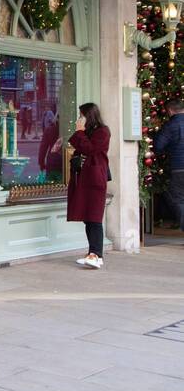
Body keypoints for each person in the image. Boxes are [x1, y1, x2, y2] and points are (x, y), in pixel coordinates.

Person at [68, 102, 111, 268]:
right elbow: (78, 144)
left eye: (81, 116)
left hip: (94, 179)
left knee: (94, 217)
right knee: (88, 218)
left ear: (89, 115)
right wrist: (80, 133)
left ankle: (96, 254)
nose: (79, 119)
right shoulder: (88, 131)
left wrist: (80, 132)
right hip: (84, 179)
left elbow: (90, 149)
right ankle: (94, 254)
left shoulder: (103, 131)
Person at [151, 100, 184, 231]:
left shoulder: (171, 125)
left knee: (179, 200)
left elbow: (158, 146)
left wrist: (167, 151)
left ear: (170, 111)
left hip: (179, 168)